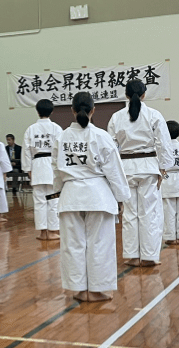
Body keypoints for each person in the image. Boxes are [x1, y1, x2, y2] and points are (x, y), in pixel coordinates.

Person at [54, 92, 130, 302]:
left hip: (70, 196)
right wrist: (121, 197)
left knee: (72, 245)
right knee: (100, 244)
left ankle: (78, 289)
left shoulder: (61, 137)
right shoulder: (101, 136)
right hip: (98, 196)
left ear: (72, 110)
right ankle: (97, 289)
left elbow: (56, 170)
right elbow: (114, 171)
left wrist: (58, 191)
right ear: (93, 110)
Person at [107, 80, 175, 268]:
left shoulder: (116, 117)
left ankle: (132, 255)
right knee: (149, 212)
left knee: (129, 213)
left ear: (126, 95)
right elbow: (163, 142)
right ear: (144, 94)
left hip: (126, 169)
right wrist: (163, 167)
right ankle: (149, 256)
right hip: (148, 167)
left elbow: (111, 147)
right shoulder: (153, 115)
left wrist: (113, 172)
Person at [23, 99, 63, 241]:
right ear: (51, 111)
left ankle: (43, 232)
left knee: (39, 201)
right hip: (52, 166)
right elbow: (61, 150)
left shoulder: (31, 129)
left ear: (37, 111)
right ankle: (52, 231)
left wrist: (28, 168)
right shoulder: (56, 128)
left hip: (37, 166)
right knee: (53, 200)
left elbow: (26, 150)